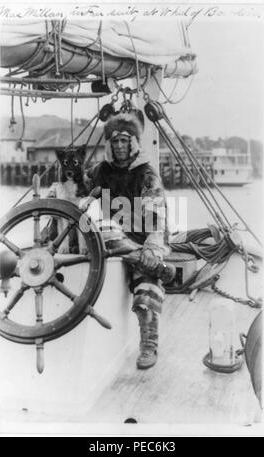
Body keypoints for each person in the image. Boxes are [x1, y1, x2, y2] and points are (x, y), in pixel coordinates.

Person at [80, 112, 172, 369]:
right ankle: (152, 266)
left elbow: (158, 218)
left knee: (146, 289)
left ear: (133, 143)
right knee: (104, 229)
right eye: (115, 141)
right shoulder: (101, 171)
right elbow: (81, 190)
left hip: (146, 238)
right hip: (116, 236)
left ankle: (149, 345)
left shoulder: (147, 174)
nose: (120, 146)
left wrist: (153, 247)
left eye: (124, 141)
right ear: (109, 144)